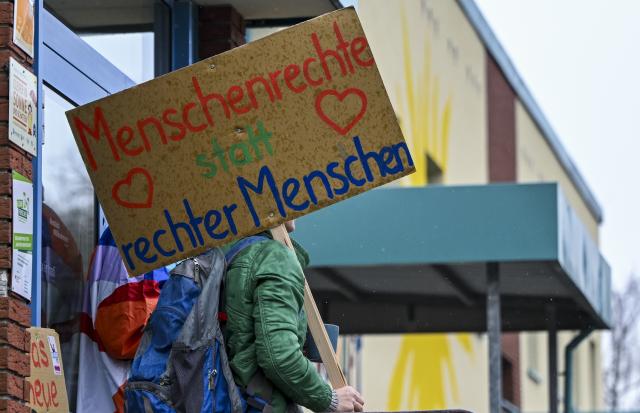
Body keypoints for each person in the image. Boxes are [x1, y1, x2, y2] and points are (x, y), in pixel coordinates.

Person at [222, 220, 365, 412]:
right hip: (260, 404)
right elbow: (279, 357)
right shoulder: (274, 257)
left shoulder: (224, 254)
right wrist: (330, 399)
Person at [76, 227, 169, 413]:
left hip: (112, 393)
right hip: (125, 394)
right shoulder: (139, 237)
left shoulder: (138, 235)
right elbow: (124, 335)